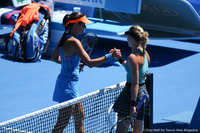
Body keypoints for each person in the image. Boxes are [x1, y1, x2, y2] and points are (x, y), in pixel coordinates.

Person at [51, 12, 120, 133]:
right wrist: (110, 56)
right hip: (68, 88)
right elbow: (90, 63)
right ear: (76, 24)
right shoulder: (74, 42)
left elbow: (54, 58)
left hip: (65, 84)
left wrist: (74, 65)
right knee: (62, 123)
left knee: (80, 117)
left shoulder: (65, 38)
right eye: (83, 24)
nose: (85, 27)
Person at [112, 25, 150, 133]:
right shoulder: (145, 54)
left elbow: (135, 83)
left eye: (127, 36)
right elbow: (133, 70)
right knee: (137, 130)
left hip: (132, 94)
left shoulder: (132, 57)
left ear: (130, 37)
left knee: (121, 130)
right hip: (143, 94)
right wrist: (119, 59)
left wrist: (132, 104)